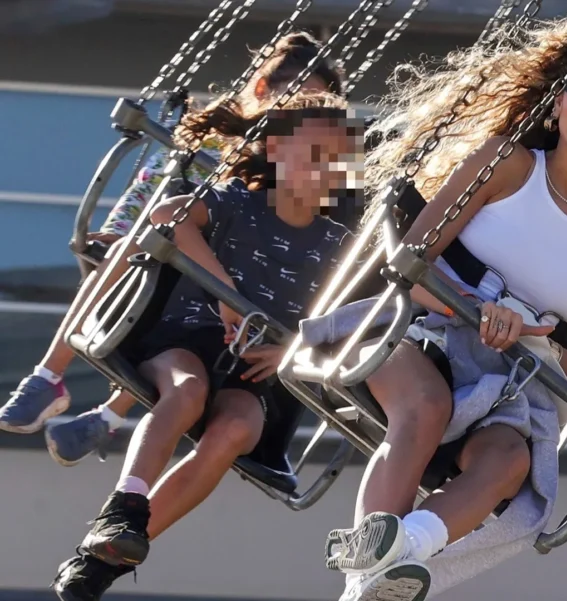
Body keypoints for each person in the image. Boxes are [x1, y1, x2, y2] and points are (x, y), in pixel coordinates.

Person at [319, 19, 567, 601]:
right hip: (419, 332)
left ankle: (394, 556)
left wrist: (540, 347)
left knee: (508, 461)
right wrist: (480, 310)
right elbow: (408, 267)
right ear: (558, 100)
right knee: (426, 405)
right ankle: (366, 578)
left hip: (512, 381)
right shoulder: (506, 165)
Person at [50, 91, 356, 601]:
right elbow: (166, 218)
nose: (324, 169)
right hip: (189, 338)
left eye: (337, 160)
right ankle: (124, 508)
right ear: (276, 150)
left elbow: (356, 315)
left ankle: (103, 560)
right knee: (188, 390)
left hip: (255, 368)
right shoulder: (238, 202)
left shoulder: (338, 243)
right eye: (314, 154)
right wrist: (225, 293)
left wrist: (292, 351)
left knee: (237, 428)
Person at [0, 31, 344, 467]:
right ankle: (50, 375)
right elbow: (153, 186)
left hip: (232, 272)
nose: (304, 110)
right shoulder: (215, 137)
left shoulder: (295, 159)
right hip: (181, 250)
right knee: (144, 250)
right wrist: (118, 230)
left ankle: (108, 415)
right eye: (297, 98)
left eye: (317, 103)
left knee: (226, 309)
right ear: (262, 89)